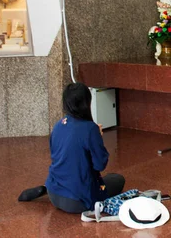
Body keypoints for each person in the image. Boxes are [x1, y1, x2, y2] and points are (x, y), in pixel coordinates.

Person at [18, 83, 125, 213]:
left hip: (54, 194)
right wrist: (98, 138)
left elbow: (59, 156)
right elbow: (100, 165)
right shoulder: (90, 129)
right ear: (87, 103)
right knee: (117, 179)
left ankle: (47, 189)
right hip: (78, 201)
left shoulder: (58, 125)